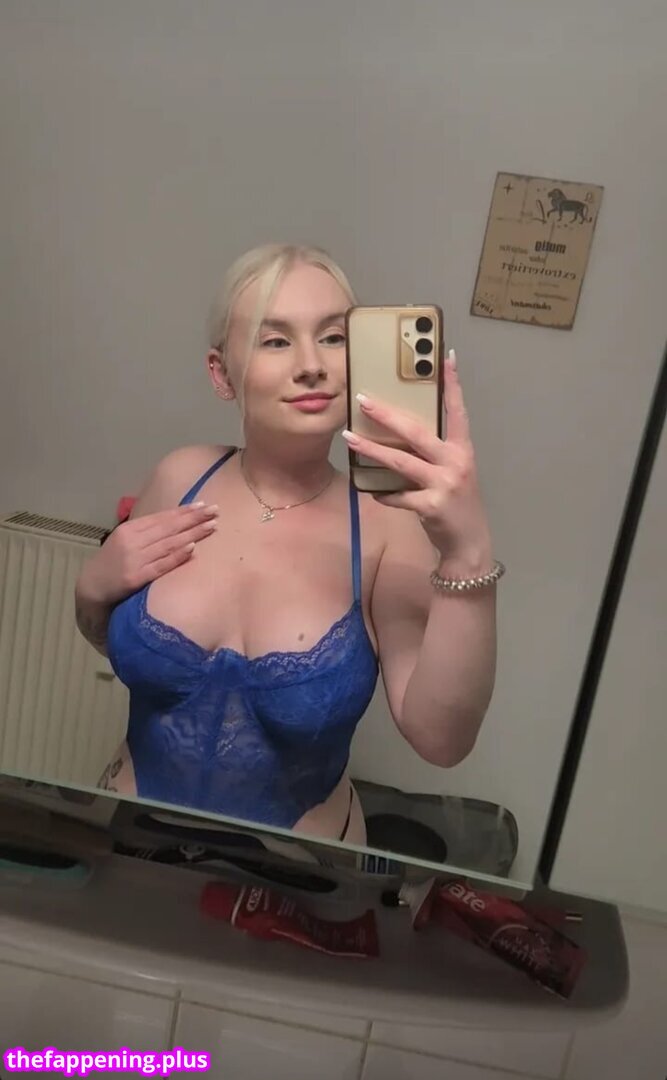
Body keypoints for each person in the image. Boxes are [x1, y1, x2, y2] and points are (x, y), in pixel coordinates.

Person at [75, 243, 503, 844]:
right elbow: (110, 639)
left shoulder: (386, 527)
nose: (312, 365)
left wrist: (467, 553)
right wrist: (91, 587)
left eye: (333, 337)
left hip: (298, 877)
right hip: (127, 845)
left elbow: (442, 741)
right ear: (221, 373)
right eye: (276, 341)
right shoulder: (179, 479)